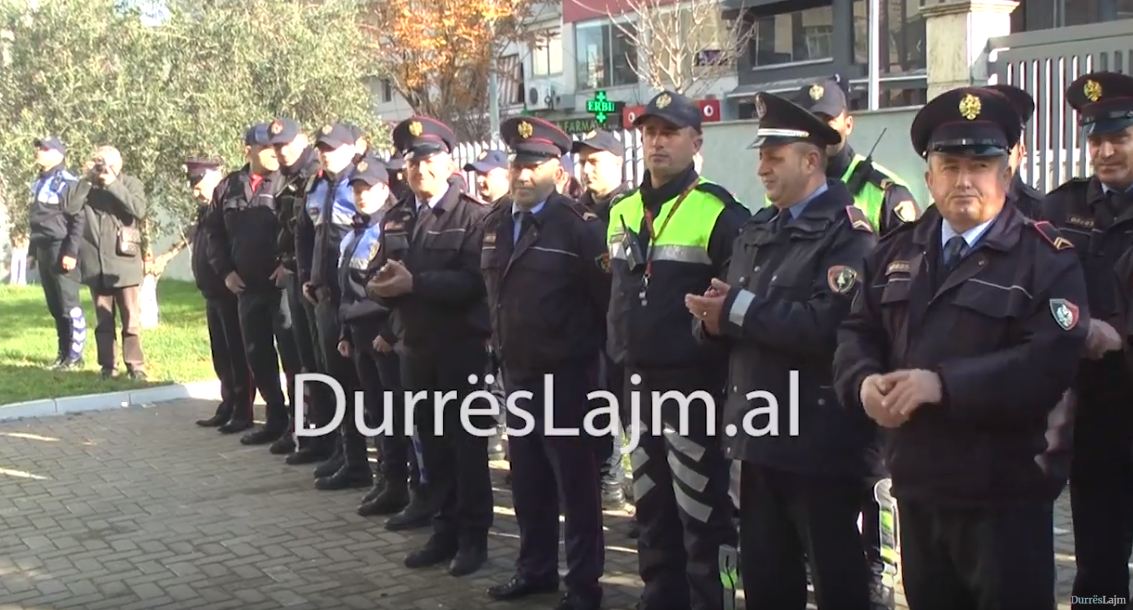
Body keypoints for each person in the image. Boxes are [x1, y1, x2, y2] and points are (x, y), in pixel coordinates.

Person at [833, 86, 1088, 610]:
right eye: (949, 166)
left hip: (1004, 495)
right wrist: (861, 384)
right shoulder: (895, 251)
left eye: (980, 164)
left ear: (1006, 172)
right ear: (929, 176)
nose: (964, 180)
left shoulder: (1047, 258)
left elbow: (1047, 364)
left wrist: (943, 386)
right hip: (919, 486)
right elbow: (857, 330)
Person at [687, 91, 877, 609]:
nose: (763, 168)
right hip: (758, 434)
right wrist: (712, 320)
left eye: (774, 157)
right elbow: (733, 310)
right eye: (761, 156)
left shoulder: (848, 235)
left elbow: (825, 326)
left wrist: (736, 312)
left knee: (838, 577)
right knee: (768, 578)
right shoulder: (758, 228)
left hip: (819, 440)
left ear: (812, 161)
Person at [606, 90, 748, 610]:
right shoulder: (621, 209)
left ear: (696, 140)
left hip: (694, 389)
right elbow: (619, 298)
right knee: (649, 509)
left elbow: (734, 307)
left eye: (670, 133)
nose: (658, 142)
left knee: (703, 514)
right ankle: (658, 598)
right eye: (650, 133)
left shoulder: (721, 212)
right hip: (636, 386)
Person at [482, 117, 609, 610]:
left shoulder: (579, 228)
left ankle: (583, 587)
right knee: (529, 482)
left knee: (576, 492)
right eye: (517, 163)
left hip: (568, 379)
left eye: (534, 165)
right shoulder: (496, 225)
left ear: (557, 170)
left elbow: (604, 305)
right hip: (517, 375)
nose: (522, 174)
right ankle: (534, 570)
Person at [366, 115, 493, 577]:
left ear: (448, 162)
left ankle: (474, 539)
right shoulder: (398, 215)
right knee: (432, 448)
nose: (418, 169)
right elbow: (377, 270)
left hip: (460, 349)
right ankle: (443, 531)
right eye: (411, 161)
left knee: (466, 449)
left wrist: (414, 283)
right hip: (414, 348)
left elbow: (474, 283)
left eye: (428, 159)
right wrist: (378, 286)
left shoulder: (473, 216)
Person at [1037, 71, 1133, 606]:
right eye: (1095, 140)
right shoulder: (1061, 209)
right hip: (1091, 406)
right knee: (1097, 554)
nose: (1105, 151)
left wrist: (1118, 336)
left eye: (1118, 138)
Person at [205, 123, 297, 448]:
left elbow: (300, 229)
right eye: (265, 148)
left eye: (276, 147)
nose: (273, 153)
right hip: (246, 288)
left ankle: (299, 424)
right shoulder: (229, 186)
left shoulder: (289, 182)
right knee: (258, 356)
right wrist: (226, 272)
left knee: (291, 356)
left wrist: (288, 264)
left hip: (281, 288)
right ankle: (275, 418)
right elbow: (213, 233)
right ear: (249, 150)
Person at [338, 155, 419, 517]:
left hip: (382, 335)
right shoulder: (357, 229)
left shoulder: (389, 226)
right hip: (358, 333)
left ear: (384, 188)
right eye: (356, 189)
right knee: (376, 411)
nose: (360, 195)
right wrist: (344, 330)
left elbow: (392, 286)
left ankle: (399, 484)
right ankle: (386, 479)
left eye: (367, 188)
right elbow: (348, 286)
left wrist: (387, 331)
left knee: (393, 412)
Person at [300, 123, 371, 491]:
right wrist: (305, 277)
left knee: (360, 384)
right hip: (325, 295)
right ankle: (349, 453)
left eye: (333, 148)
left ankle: (362, 460)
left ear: (353, 149)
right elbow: (306, 237)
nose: (326, 154)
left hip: (354, 299)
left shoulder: (363, 187)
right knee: (336, 380)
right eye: (322, 148)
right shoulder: (317, 186)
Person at [268, 116, 334, 464]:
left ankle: (332, 441)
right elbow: (290, 227)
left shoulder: (315, 174)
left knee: (324, 364)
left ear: (302, 140)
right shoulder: (289, 177)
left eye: (286, 144)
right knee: (306, 360)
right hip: (298, 274)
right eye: (275, 146)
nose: (280, 151)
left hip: (316, 278)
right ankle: (315, 436)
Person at [574, 129, 632, 511]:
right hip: (583, 329)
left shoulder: (631, 207)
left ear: (618, 163)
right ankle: (602, 480)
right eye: (582, 162)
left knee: (627, 415)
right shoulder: (575, 210)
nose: (586, 170)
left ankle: (620, 482)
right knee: (594, 409)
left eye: (595, 161)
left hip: (622, 330)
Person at [795, 76, 920, 235]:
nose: (819, 131)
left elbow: (911, 256)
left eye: (828, 121)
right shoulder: (786, 186)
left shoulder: (886, 195)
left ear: (848, 125)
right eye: (811, 122)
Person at [186, 158, 254, 433]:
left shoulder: (228, 201)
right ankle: (228, 403)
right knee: (221, 354)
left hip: (229, 292)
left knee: (237, 353)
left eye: (198, 182)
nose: (195, 191)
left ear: (215, 175)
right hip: (212, 292)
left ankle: (242, 409)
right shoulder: (207, 209)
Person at [72, 145, 148, 380]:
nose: (101, 167)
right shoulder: (87, 187)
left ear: (118, 164)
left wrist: (112, 183)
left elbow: (139, 209)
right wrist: (86, 179)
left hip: (124, 262)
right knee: (103, 320)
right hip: (97, 263)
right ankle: (108, 366)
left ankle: (135, 366)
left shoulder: (130, 183)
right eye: (97, 162)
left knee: (130, 319)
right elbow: (70, 208)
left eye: (105, 162)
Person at [27, 136, 85, 370]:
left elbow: (77, 221)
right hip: (43, 247)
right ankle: (62, 353)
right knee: (55, 303)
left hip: (61, 247)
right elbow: (37, 220)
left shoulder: (68, 182)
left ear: (59, 154)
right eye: (39, 148)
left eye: (44, 148)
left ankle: (75, 356)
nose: (39, 151)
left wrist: (70, 252)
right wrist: (32, 250)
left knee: (69, 302)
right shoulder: (39, 182)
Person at [985, 84, 1044, 219]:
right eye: (986, 151)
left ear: (1020, 153)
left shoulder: (1042, 211)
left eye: (1005, 148)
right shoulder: (950, 210)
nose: (997, 158)